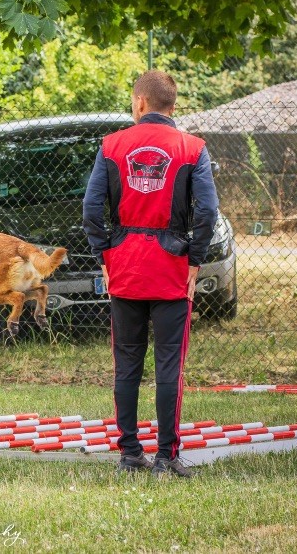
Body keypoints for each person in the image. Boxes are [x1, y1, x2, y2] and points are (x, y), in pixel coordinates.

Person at [82, 70, 218, 478]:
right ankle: (166, 456)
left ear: (140, 103)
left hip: (124, 268)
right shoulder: (193, 149)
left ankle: (128, 453)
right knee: (168, 365)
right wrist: (193, 260)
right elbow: (208, 212)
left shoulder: (111, 145)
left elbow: (92, 211)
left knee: (126, 362)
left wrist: (105, 256)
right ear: (172, 106)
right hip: (171, 269)